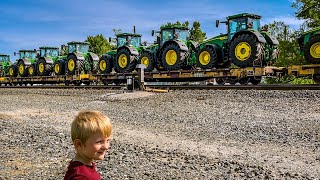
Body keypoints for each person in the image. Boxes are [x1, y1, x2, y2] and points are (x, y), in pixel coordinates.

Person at [64, 110, 113, 180]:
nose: (106, 147)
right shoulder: (80, 176)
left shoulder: (84, 166)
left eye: (107, 140)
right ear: (79, 144)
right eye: (99, 142)